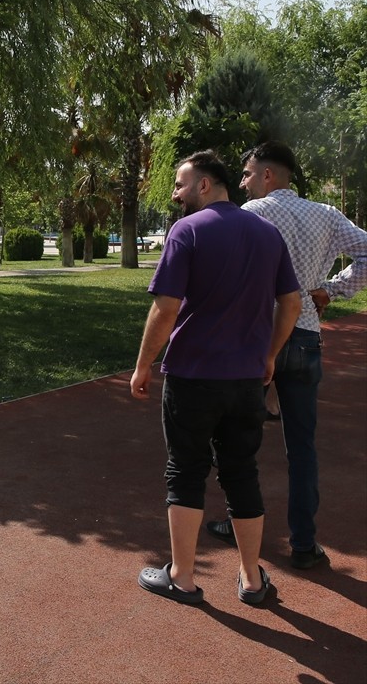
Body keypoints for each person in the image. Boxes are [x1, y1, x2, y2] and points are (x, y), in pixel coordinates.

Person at [130, 151, 300, 605]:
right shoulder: (268, 234)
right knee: (242, 472)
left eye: (180, 184)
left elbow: (166, 308)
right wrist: (269, 356)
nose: (174, 193)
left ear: (205, 185)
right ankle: (251, 580)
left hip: (192, 375)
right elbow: (293, 303)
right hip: (247, 379)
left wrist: (144, 364)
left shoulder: (186, 231)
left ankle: (182, 577)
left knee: (185, 470)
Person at [204, 141, 367, 569]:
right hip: (307, 336)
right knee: (302, 448)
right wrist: (332, 289)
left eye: (247, 174)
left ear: (268, 175)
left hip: (259, 340)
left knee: (239, 442)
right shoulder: (326, 215)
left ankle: (239, 524)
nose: (242, 182)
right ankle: (304, 543)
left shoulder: (252, 215)